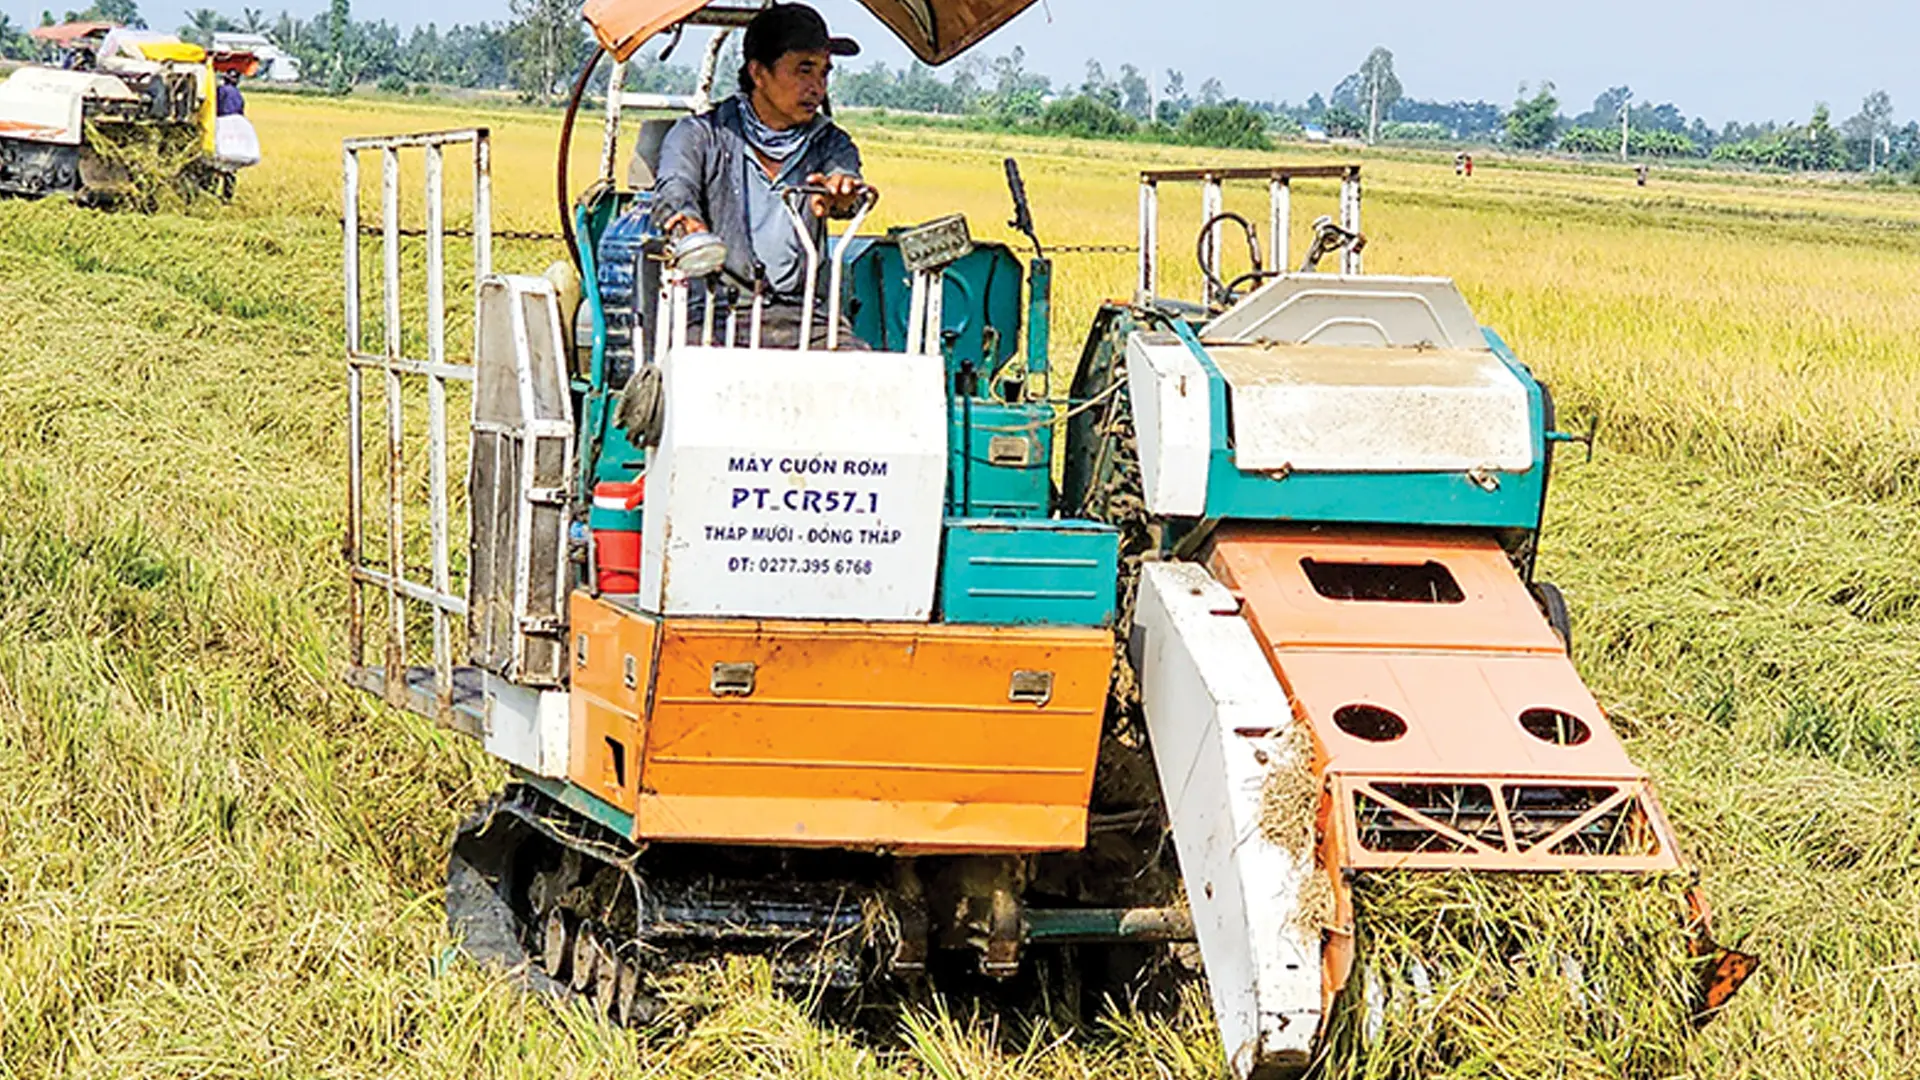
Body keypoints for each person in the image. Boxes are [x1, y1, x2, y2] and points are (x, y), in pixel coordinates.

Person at [651, 3, 873, 350]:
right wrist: (689, 224)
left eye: (824, 73)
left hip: (804, 318)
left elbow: (845, 179)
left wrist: (842, 195)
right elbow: (675, 193)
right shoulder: (699, 135)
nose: (817, 87)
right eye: (804, 70)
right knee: (695, 376)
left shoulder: (830, 142)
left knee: (861, 371)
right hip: (717, 312)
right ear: (758, 73)